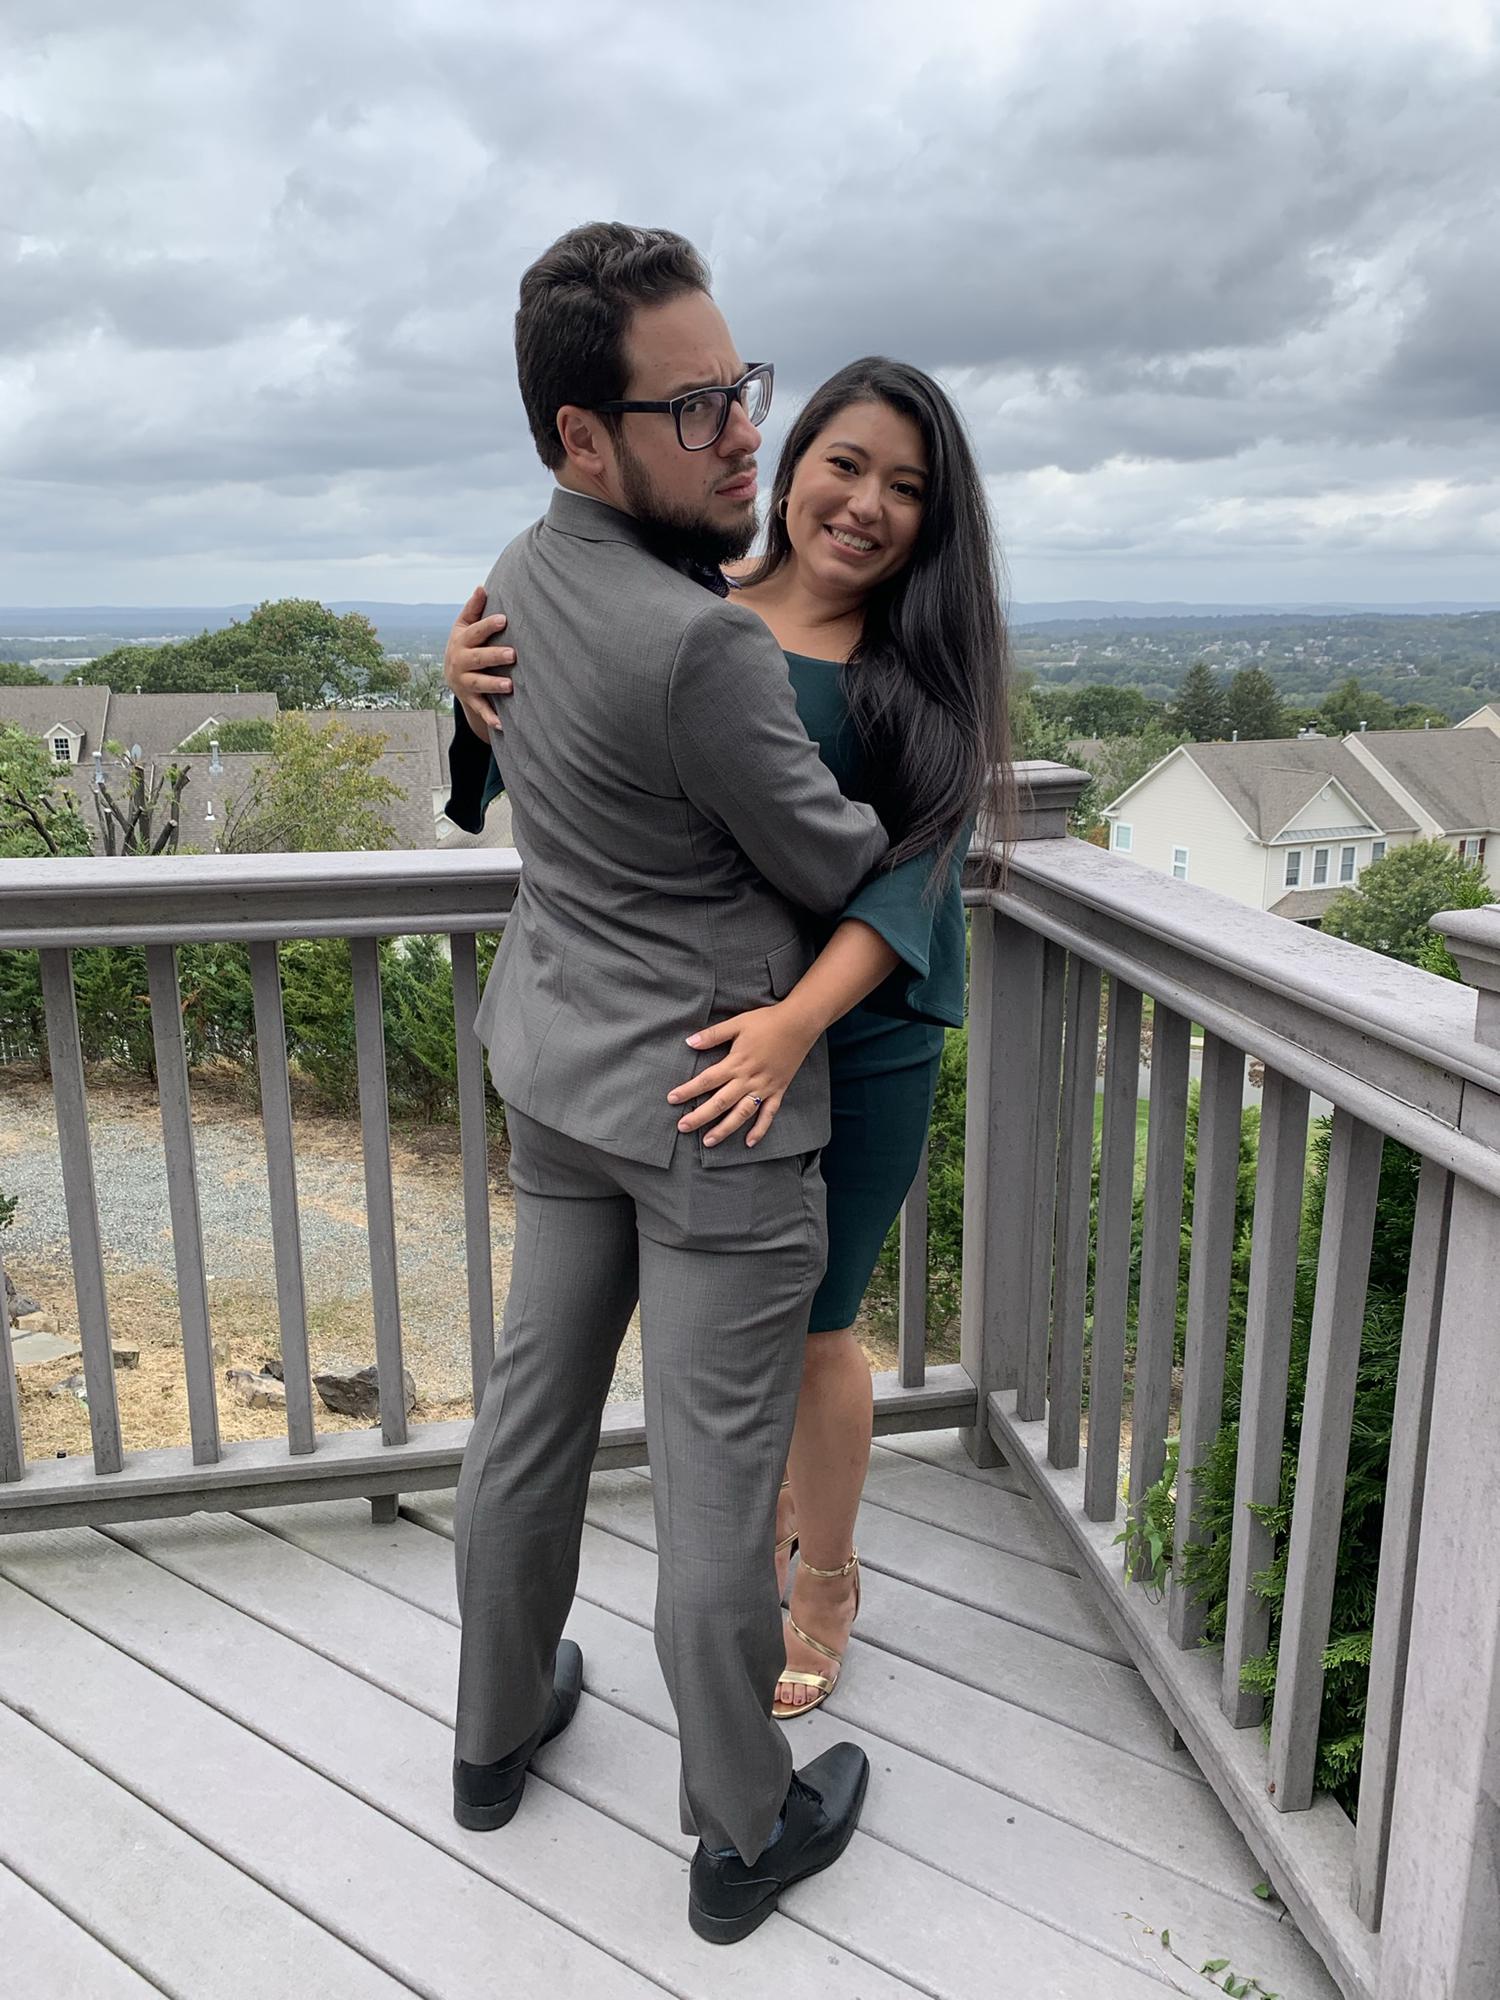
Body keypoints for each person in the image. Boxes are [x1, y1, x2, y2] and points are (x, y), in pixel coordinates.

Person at [446, 351, 1011, 1726]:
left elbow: (914, 880)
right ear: (792, 463)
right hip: (693, 1053)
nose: (866, 505)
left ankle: (825, 1576)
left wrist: (794, 1028)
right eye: (846, 464)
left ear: (934, 522)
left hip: (854, 1042)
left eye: (906, 489)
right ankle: (739, 1566)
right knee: (719, 1352)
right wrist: (463, 692)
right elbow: (556, 757)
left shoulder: (915, 679)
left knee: (814, 1330)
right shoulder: (691, 608)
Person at [447, 221, 894, 1948]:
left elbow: (521, 761)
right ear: (584, 436)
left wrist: (459, 707)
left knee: (530, 1424)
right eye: (696, 407)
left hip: (562, 1076)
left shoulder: (518, 572)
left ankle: (493, 1737)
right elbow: (835, 855)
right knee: (714, 1494)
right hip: (716, 1106)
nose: (744, 435)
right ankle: (740, 1832)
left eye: (742, 388)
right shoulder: (704, 646)